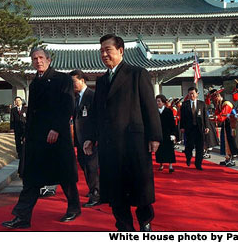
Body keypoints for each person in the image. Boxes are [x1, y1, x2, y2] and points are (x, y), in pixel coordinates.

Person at [84, 34, 162, 231]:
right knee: (115, 190)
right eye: (101, 50)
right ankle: (124, 226)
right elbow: (96, 113)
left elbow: (149, 107)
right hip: (109, 145)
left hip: (133, 142)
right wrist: (90, 137)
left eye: (107, 50)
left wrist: (154, 136)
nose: (104, 54)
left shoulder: (137, 73)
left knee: (139, 187)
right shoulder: (101, 82)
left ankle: (145, 221)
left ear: (120, 50)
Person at [1, 47, 81, 229]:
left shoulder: (63, 79)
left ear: (49, 59)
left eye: (41, 57)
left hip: (57, 137)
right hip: (37, 139)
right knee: (32, 178)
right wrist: (26, 137)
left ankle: (74, 207)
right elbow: (33, 114)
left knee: (65, 176)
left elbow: (68, 106)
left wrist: (56, 128)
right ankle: (22, 216)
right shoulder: (34, 84)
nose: (38, 61)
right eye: (34, 58)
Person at [69, 69, 100, 207]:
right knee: (84, 166)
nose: (72, 85)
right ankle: (92, 189)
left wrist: (93, 139)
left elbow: (97, 119)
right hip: (80, 140)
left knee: (92, 167)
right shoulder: (76, 98)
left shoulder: (92, 96)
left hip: (90, 141)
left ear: (82, 80)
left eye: (73, 82)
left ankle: (96, 194)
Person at [207, 88, 238, 166]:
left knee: (233, 141)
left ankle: (232, 160)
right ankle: (228, 158)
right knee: (226, 141)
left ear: (218, 96)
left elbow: (222, 115)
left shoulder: (226, 103)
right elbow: (217, 114)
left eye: (214, 97)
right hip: (226, 124)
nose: (213, 100)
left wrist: (215, 117)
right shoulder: (219, 104)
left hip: (233, 124)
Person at [180, 87, 210, 170]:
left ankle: (198, 164)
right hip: (189, 129)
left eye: (193, 93)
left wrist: (207, 126)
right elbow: (182, 117)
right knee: (189, 146)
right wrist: (182, 127)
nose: (191, 95)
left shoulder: (202, 104)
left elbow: (205, 117)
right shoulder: (185, 104)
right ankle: (188, 158)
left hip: (199, 129)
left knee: (200, 147)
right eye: (190, 94)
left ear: (197, 94)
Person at [155, 94, 177, 173]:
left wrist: (173, 134)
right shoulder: (154, 112)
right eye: (156, 101)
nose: (157, 103)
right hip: (158, 134)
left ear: (163, 102)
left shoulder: (169, 111)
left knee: (169, 150)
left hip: (167, 134)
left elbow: (172, 124)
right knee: (160, 150)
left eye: (159, 101)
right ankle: (161, 164)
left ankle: (170, 166)